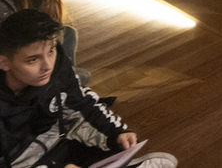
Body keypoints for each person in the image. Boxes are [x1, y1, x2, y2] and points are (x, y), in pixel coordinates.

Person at [0, 9, 178, 168]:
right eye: (33, 60)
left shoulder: (57, 66)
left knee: (116, 142)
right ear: (4, 62)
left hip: (57, 142)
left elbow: (81, 103)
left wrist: (115, 133)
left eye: (51, 51)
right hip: (17, 160)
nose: (48, 66)